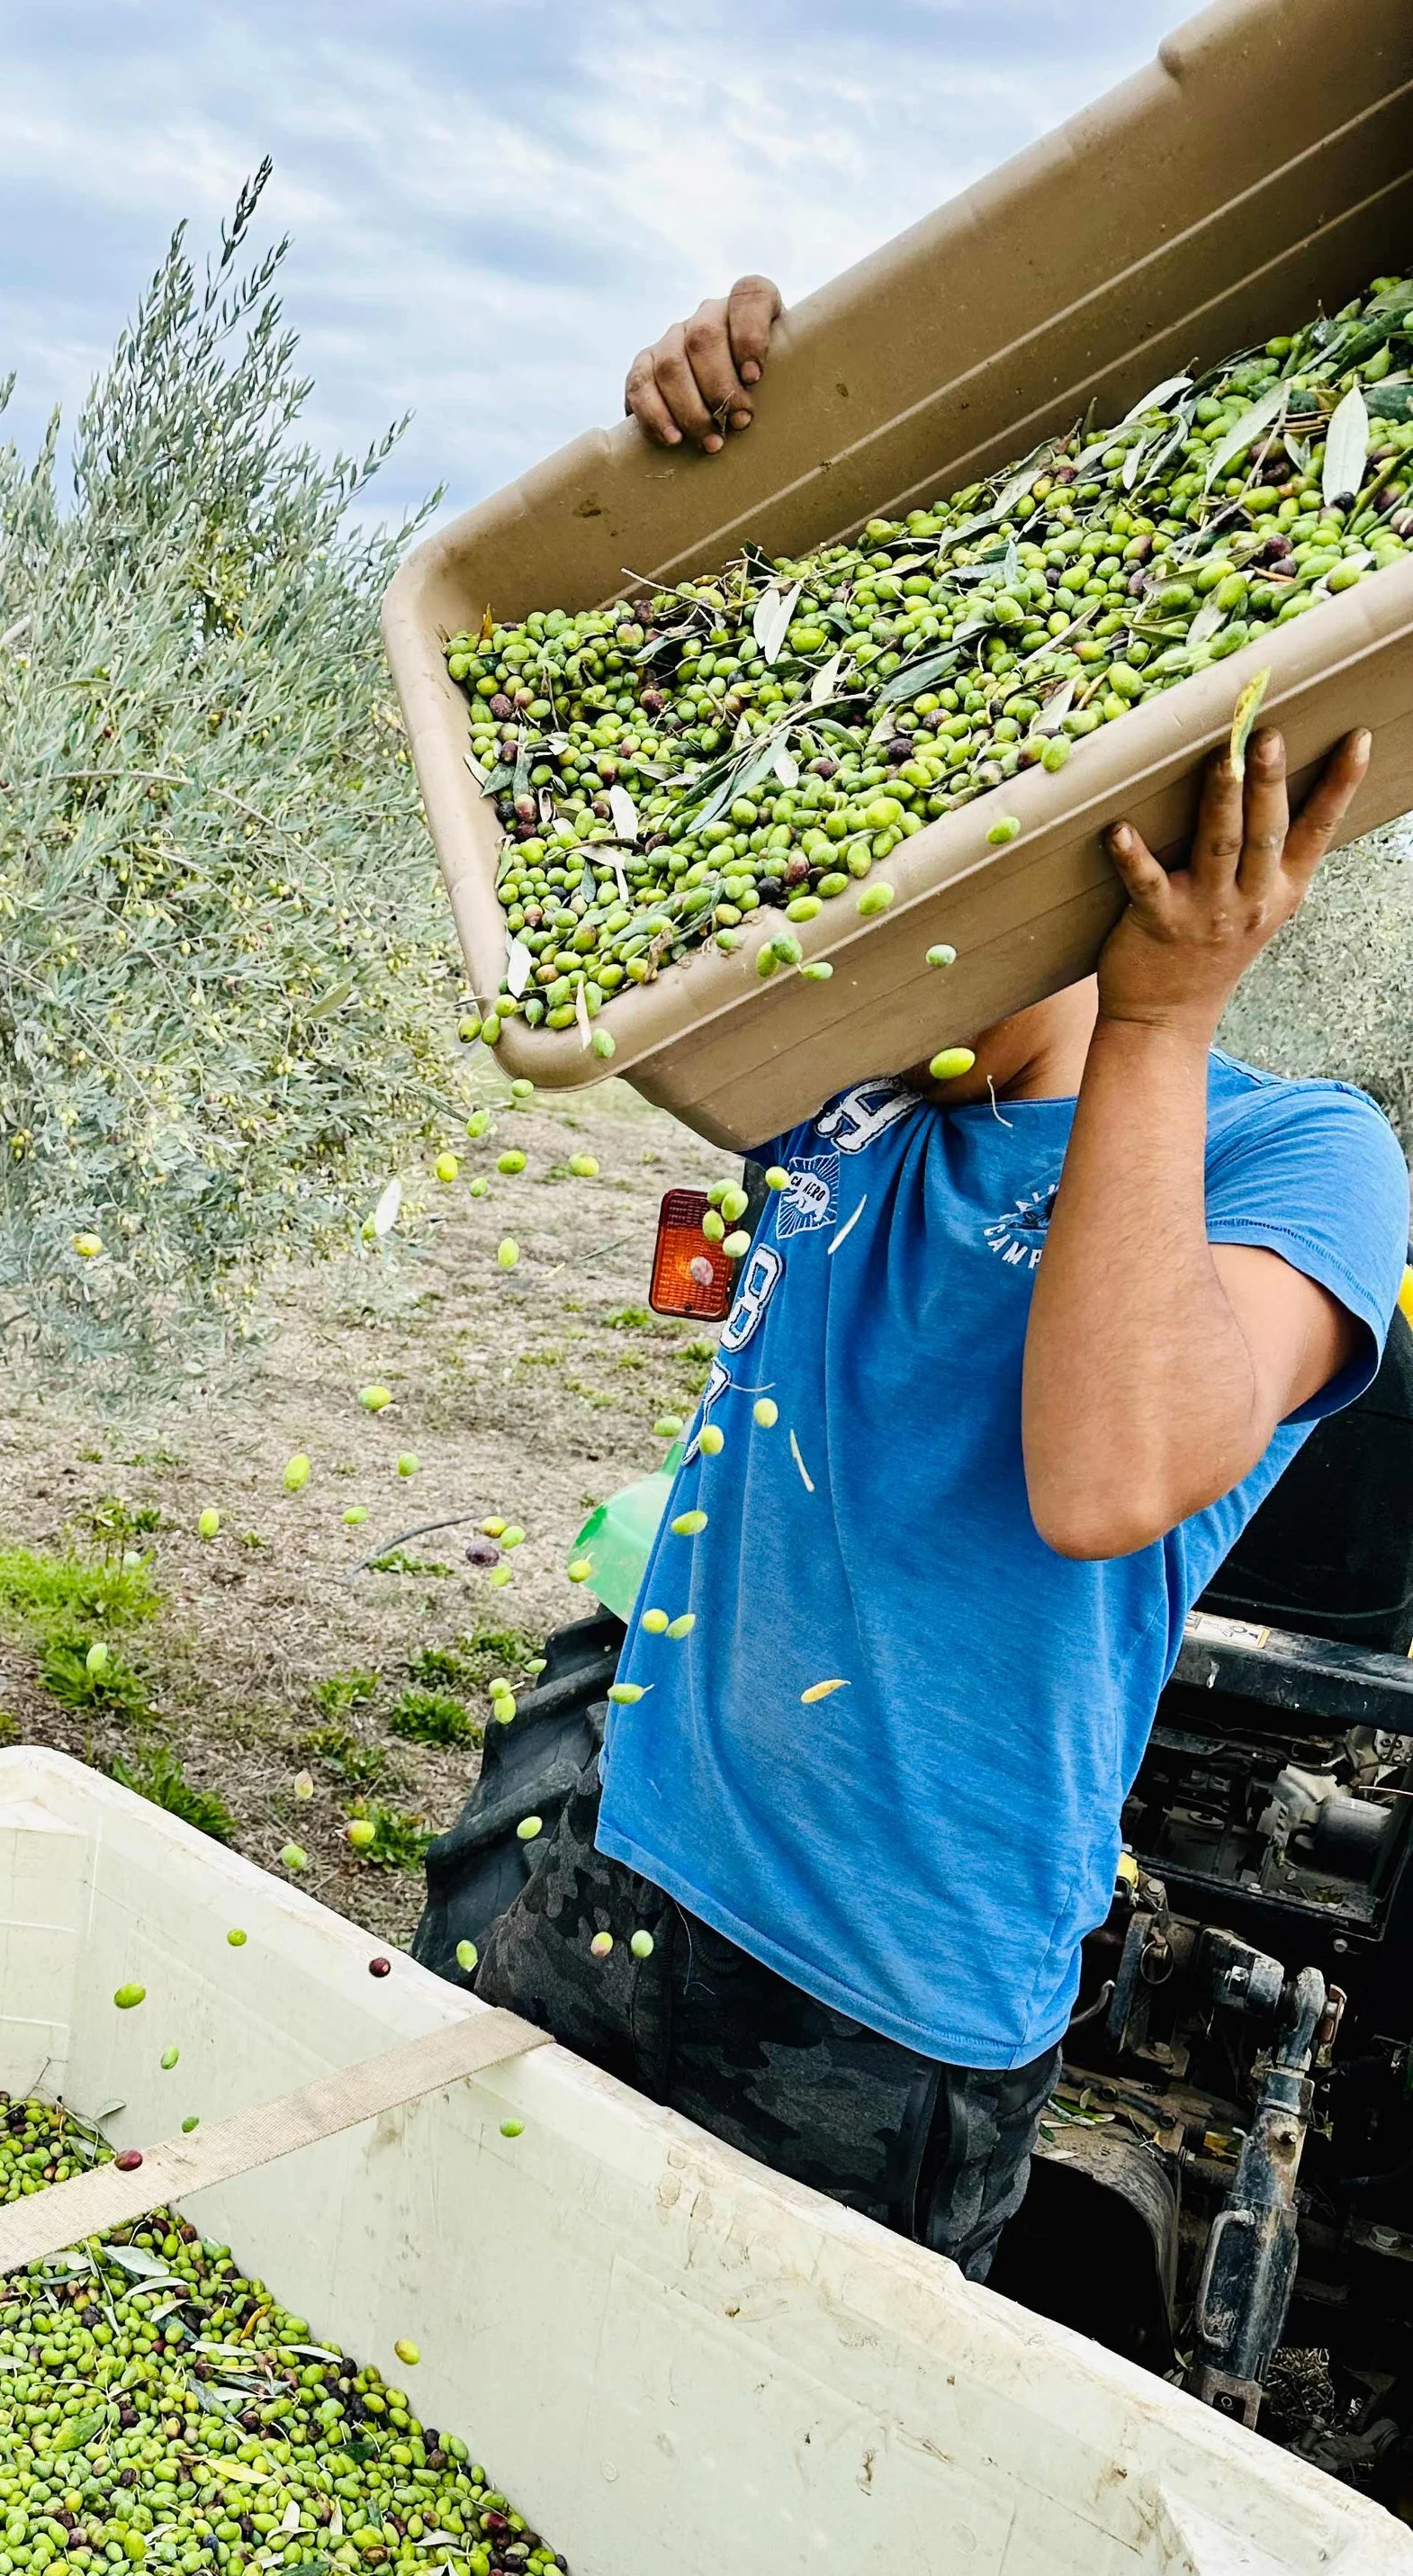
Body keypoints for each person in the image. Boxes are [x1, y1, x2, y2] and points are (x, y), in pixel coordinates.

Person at [474, 276, 1412, 2279]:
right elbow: (585, 892)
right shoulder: (835, 1090)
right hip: (607, 1857)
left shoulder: (1295, 1150)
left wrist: (1154, 1027)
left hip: (881, 2014)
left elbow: (1103, 1477)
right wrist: (698, 498)